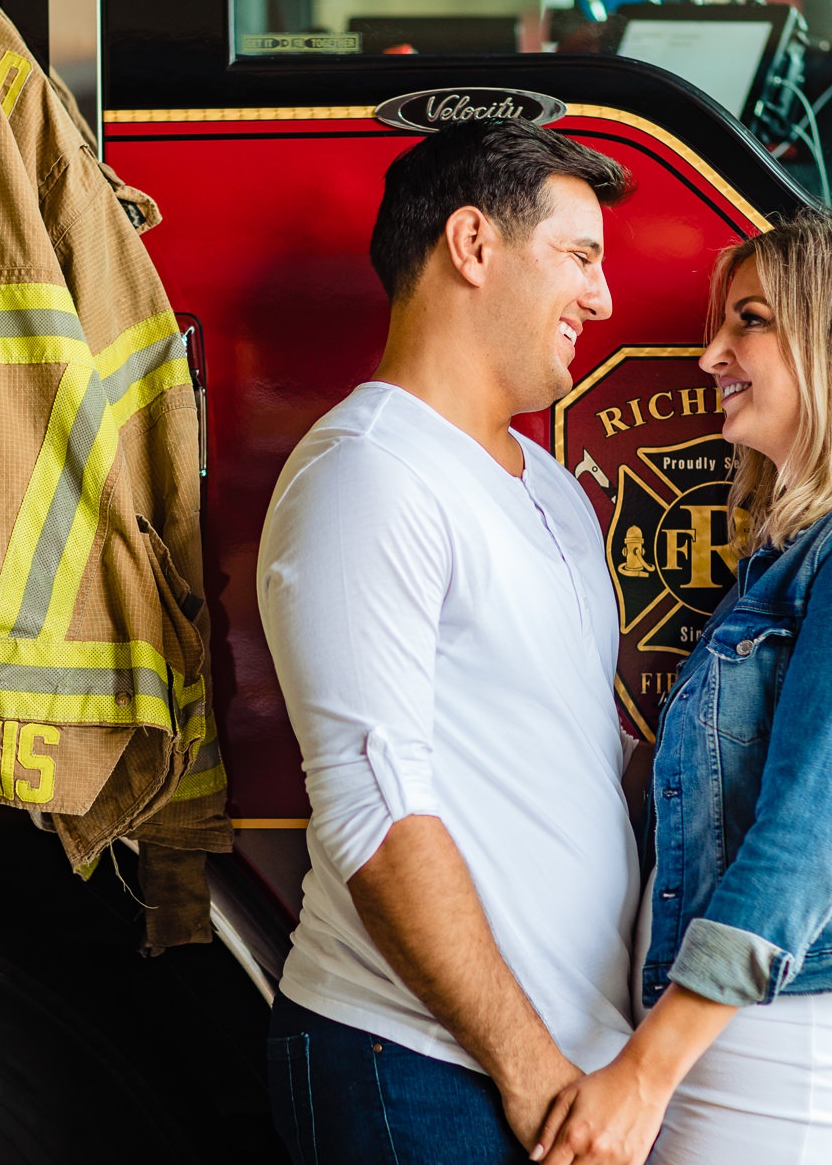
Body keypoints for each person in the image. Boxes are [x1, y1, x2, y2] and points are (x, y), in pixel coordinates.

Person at [532, 214, 832, 1165]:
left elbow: (810, 836)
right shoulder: (792, 554)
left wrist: (645, 1075)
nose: (711, 355)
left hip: (784, 1064)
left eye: (750, 322)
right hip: (717, 1043)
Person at [256, 118, 637, 1164]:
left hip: (556, 1072)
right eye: (580, 255)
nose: (601, 299)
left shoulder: (552, 488)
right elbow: (376, 808)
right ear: (474, 245)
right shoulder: (369, 472)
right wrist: (530, 1070)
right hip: (424, 1068)